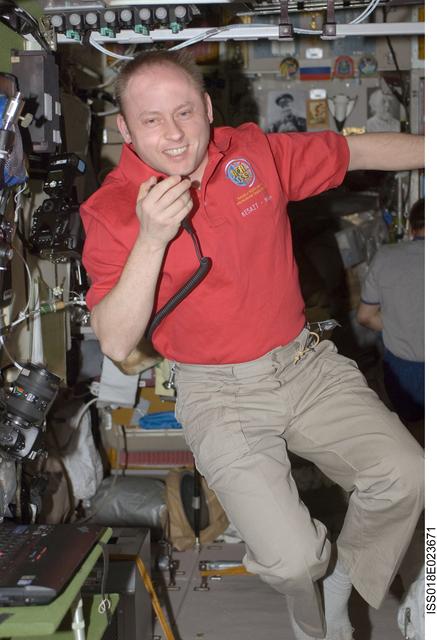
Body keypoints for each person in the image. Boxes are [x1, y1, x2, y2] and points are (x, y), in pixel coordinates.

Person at [80, 50, 424, 640]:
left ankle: (344, 579)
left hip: (305, 364)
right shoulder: (110, 210)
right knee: (294, 561)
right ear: (126, 129)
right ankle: (315, 622)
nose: (173, 133)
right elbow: (115, 338)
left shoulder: (252, 154)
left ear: (207, 107)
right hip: (218, 393)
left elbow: (358, 151)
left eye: (184, 112)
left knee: (409, 474)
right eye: (152, 119)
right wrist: (152, 238)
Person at [357, 199, 425, 424]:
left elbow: (365, 317)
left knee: (410, 431)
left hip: (403, 372)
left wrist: (400, 323)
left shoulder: (386, 256)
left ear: (411, 228)